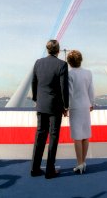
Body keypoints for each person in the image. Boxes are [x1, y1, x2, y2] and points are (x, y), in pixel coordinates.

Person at [30, 39, 69, 179]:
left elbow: (34, 83)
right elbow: (64, 88)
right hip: (55, 106)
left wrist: (36, 99)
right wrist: (66, 106)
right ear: (58, 50)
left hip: (41, 104)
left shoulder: (38, 63)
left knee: (40, 135)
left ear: (47, 49)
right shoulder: (62, 65)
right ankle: (49, 170)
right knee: (53, 136)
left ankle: (34, 168)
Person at [67, 50, 95, 174]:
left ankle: (79, 164)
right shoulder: (88, 73)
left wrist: (65, 107)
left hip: (75, 107)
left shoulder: (69, 74)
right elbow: (91, 90)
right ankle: (83, 162)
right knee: (85, 135)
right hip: (85, 106)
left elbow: (70, 93)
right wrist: (91, 104)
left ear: (69, 62)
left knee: (77, 137)